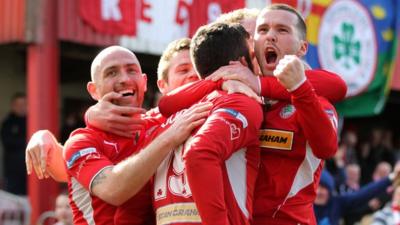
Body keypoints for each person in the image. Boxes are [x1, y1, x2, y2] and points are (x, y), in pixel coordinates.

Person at [157, 4, 345, 225]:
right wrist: (220, 79)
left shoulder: (312, 100)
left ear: (303, 47)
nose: (271, 37)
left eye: (282, 30)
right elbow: (167, 104)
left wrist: (281, 86)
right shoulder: (238, 94)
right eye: (263, 30)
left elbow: (327, 146)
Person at [26, 46, 211, 225]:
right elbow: (114, 190)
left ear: (144, 82)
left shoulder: (160, 122)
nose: (124, 79)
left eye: (131, 70)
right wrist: (170, 137)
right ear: (93, 90)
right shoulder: (81, 141)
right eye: (111, 73)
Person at [151, 22, 262, 225]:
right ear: (241, 63)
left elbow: (165, 104)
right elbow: (198, 154)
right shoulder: (241, 101)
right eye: (254, 56)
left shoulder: (170, 113)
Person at [314, 169, 400, 225]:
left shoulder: (337, 202)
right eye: (316, 187)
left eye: (323, 188)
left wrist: (390, 178)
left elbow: (363, 194)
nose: (318, 192)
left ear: (329, 190)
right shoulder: (304, 205)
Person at [1, 92, 27, 195]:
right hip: (13, 170)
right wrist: (26, 142)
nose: (21, 107)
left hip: (31, 170)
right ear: (13, 106)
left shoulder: (33, 121)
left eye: (24, 104)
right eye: (18, 105)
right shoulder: (7, 123)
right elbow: (7, 142)